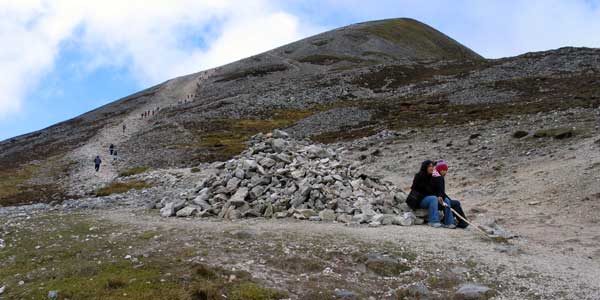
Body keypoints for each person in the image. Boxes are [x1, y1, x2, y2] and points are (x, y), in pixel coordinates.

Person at [432, 160, 469, 229]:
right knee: (456, 203)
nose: (446, 172)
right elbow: (441, 194)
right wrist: (448, 200)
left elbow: (440, 192)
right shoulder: (439, 178)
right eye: (444, 170)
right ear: (440, 170)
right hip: (437, 202)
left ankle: (462, 222)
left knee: (453, 203)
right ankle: (462, 222)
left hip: (434, 200)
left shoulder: (433, 175)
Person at [407, 160, 444, 228]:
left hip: (429, 198)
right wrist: (435, 195)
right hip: (419, 200)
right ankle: (433, 221)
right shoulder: (419, 176)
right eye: (430, 166)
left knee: (445, 200)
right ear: (425, 167)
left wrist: (440, 196)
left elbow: (436, 190)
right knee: (433, 198)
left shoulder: (433, 177)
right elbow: (420, 189)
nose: (432, 168)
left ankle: (448, 222)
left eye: (433, 166)